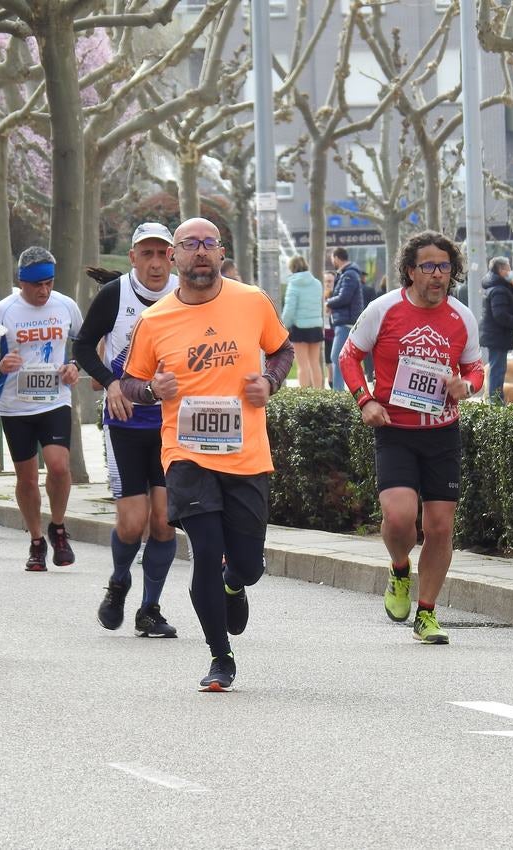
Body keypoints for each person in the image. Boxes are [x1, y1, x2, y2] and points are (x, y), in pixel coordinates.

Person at [119, 217, 294, 691]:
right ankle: (221, 656)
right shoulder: (154, 320)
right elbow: (130, 382)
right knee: (205, 554)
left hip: (247, 455)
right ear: (174, 256)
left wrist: (270, 382)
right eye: (189, 244)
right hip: (187, 455)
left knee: (248, 564)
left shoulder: (251, 301)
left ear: (221, 253)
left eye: (208, 244)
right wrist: (153, 389)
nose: (199, 252)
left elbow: (282, 350)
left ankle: (235, 582)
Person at [338, 230, 485, 643]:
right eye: (428, 267)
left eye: (444, 267)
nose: (437, 275)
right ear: (409, 270)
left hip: (442, 432)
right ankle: (400, 567)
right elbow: (349, 355)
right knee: (400, 517)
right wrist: (366, 401)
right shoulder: (384, 309)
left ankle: (427, 612)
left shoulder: (462, 316)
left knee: (440, 526)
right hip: (396, 431)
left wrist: (467, 386)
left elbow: (476, 368)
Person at [73, 222, 181, 637]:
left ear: (172, 256)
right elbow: (82, 345)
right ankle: (119, 581)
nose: (155, 263)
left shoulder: (183, 293)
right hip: (126, 422)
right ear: (133, 257)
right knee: (133, 523)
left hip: (172, 425)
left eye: (162, 254)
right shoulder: (115, 294)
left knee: (164, 521)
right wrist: (111, 381)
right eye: (146, 254)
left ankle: (150, 609)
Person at [0, 247, 82, 572]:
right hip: (15, 406)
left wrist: (74, 366)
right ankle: (37, 540)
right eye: (36, 285)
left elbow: (83, 344)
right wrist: (0, 364)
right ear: (21, 282)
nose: (43, 291)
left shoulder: (66, 305)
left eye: (49, 283)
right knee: (26, 478)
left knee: (58, 466)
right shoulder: (3, 311)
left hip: (55, 399)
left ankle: (58, 528)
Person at [479, 256, 513, 404]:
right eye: (508, 268)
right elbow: (501, 315)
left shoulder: (502, 287)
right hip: (497, 336)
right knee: (497, 370)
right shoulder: (498, 290)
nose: (511, 271)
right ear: (501, 270)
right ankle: (496, 403)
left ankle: (496, 401)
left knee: (498, 369)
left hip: (498, 336)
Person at [280, 255, 324, 388]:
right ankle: (319, 394)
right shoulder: (317, 283)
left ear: (292, 268)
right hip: (316, 326)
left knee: (302, 365)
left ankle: (304, 395)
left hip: (299, 328)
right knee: (315, 363)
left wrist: (283, 325)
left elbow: (289, 309)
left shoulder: (293, 285)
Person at [326, 247, 364, 390]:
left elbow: (344, 297)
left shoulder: (349, 275)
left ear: (336, 257)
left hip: (345, 322)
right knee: (338, 357)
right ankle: (340, 391)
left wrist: (328, 303)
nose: (332, 262)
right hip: (345, 321)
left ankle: (338, 393)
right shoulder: (348, 274)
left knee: (336, 357)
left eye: (332, 259)